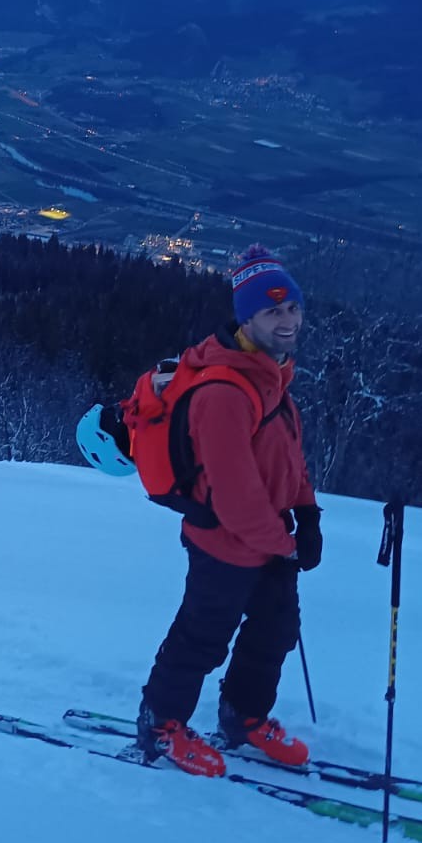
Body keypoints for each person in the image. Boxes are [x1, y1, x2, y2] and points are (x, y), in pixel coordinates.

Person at [137, 245, 323, 776]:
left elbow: (286, 459)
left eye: (293, 308)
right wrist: (285, 544)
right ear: (248, 318)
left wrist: (307, 512)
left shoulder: (273, 375)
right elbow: (237, 497)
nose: (288, 321)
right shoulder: (225, 391)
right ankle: (160, 724)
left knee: (275, 630)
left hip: (268, 538)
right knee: (202, 635)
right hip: (224, 541)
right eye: (273, 311)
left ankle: (243, 716)